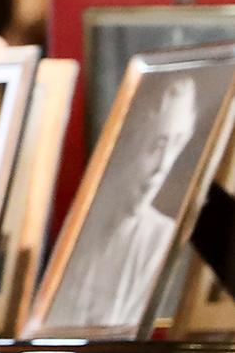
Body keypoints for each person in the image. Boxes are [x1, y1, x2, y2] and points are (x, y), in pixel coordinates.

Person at [57, 75, 200, 328]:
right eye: (156, 145)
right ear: (127, 141)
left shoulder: (163, 240)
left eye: (176, 144)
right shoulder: (76, 232)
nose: (163, 166)